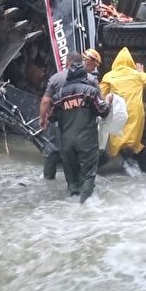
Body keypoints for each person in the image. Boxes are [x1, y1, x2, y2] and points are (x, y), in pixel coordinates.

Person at [53, 57, 111, 202]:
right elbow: (103, 111)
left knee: (72, 179)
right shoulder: (90, 91)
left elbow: (52, 117)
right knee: (88, 175)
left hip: (66, 141)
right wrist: (109, 101)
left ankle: (73, 203)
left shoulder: (59, 95)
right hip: (86, 141)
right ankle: (85, 206)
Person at [38, 49, 101, 179]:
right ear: (81, 63)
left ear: (67, 63)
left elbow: (45, 101)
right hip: (84, 124)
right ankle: (82, 184)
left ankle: (49, 179)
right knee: (82, 152)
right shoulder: (91, 79)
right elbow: (101, 102)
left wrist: (42, 118)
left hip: (60, 122)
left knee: (53, 149)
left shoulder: (56, 78)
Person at [100, 47, 146, 158]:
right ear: (131, 62)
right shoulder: (137, 75)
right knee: (133, 135)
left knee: (117, 134)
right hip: (135, 111)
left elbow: (101, 93)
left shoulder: (109, 76)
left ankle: (117, 156)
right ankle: (132, 154)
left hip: (118, 111)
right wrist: (141, 72)